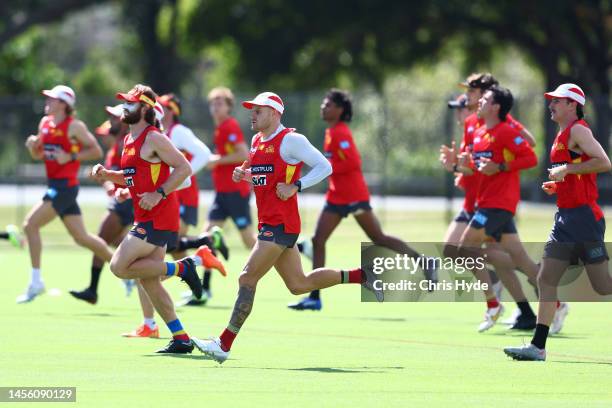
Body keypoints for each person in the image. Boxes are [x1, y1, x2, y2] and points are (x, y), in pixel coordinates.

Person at [192, 91, 383, 364]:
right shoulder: (257, 141)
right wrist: (244, 176)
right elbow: (263, 178)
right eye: (252, 110)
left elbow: (324, 166)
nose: (252, 114)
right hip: (269, 223)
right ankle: (361, 276)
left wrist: (297, 185)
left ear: (275, 113)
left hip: (281, 224)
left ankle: (223, 343)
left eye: (259, 110)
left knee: (246, 278)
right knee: (298, 285)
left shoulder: (291, 140)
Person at [91, 84, 218, 353]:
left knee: (119, 266)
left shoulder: (155, 137)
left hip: (159, 216)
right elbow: (134, 175)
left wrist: (159, 193)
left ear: (146, 109)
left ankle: (183, 267)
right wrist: (111, 178)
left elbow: (183, 167)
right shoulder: (128, 139)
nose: (125, 107)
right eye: (125, 102)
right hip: (145, 213)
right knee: (148, 280)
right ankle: (181, 338)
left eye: (131, 103)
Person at [288, 88, 436, 311]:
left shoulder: (340, 132)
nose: (323, 107)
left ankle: (423, 261)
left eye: (328, 104)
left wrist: (324, 167)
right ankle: (314, 298)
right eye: (324, 104)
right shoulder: (331, 132)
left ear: (339, 109)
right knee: (319, 241)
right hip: (337, 196)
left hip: (353, 195)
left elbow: (353, 162)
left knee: (378, 237)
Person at [504, 84, 612, 361]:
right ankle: (538, 347)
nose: (551, 104)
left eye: (557, 101)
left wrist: (568, 169)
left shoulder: (578, 130)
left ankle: (538, 346)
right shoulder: (561, 134)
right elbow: (576, 174)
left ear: (573, 104)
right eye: (551, 100)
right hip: (566, 217)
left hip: (584, 219)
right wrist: (559, 184)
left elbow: (604, 162)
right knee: (545, 278)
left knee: (602, 286)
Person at [440, 74, 540, 330]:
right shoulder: (481, 129)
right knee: (508, 257)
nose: (471, 98)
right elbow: (476, 167)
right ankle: (529, 310)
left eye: (478, 93)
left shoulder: (505, 128)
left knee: (463, 249)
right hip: (484, 201)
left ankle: (495, 302)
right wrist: (456, 166)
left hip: (497, 203)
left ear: (492, 101)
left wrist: (502, 165)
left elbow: (530, 155)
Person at [20, 85, 114, 303]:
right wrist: (32, 146)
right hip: (55, 185)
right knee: (82, 238)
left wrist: (70, 157)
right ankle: (123, 270)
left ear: (64, 104)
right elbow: (38, 156)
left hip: (64, 188)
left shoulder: (75, 126)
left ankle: (36, 282)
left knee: (29, 225)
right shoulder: (44, 124)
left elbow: (96, 151)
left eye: (52, 99)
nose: (48, 102)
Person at [70, 104, 133, 304]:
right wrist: (105, 180)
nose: (111, 121)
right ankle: (96, 288)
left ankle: (99, 287)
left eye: (115, 118)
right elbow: (112, 174)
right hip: (123, 200)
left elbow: (131, 175)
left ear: (124, 121)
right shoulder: (117, 147)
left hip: (129, 201)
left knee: (101, 240)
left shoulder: (130, 143)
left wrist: (111, 182)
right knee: (114, 243)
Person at [202, 87, 256, 299]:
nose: (215, 107)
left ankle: (295, 249)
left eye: (220, 103)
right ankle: (205, 288)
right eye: (213, 103)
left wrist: (216, 161)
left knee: (249, 241)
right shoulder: (219, 128)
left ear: (229, 107)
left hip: (235, 192)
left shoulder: (229, 126)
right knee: (206, 236)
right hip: (222, 194)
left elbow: (243, 154)